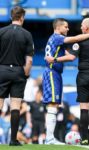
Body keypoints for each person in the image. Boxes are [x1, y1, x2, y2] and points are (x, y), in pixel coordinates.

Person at [46, 17, 89, 145]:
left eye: (82, 25)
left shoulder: (80, 42)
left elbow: (71, 57)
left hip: (84, 76)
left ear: (87, 27)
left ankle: (84, 138)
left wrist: (54, 60)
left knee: (84, 108)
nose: (81, 27)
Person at [0, 6, 34, 146]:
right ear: (22, 18)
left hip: (2, 70)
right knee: (15, 106)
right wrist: (25, 74)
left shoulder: (1, 32)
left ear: (11, 17)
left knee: (0, 103)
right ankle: (13, 140)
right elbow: (30, 60)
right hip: (18, 71)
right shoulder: (27, 34)